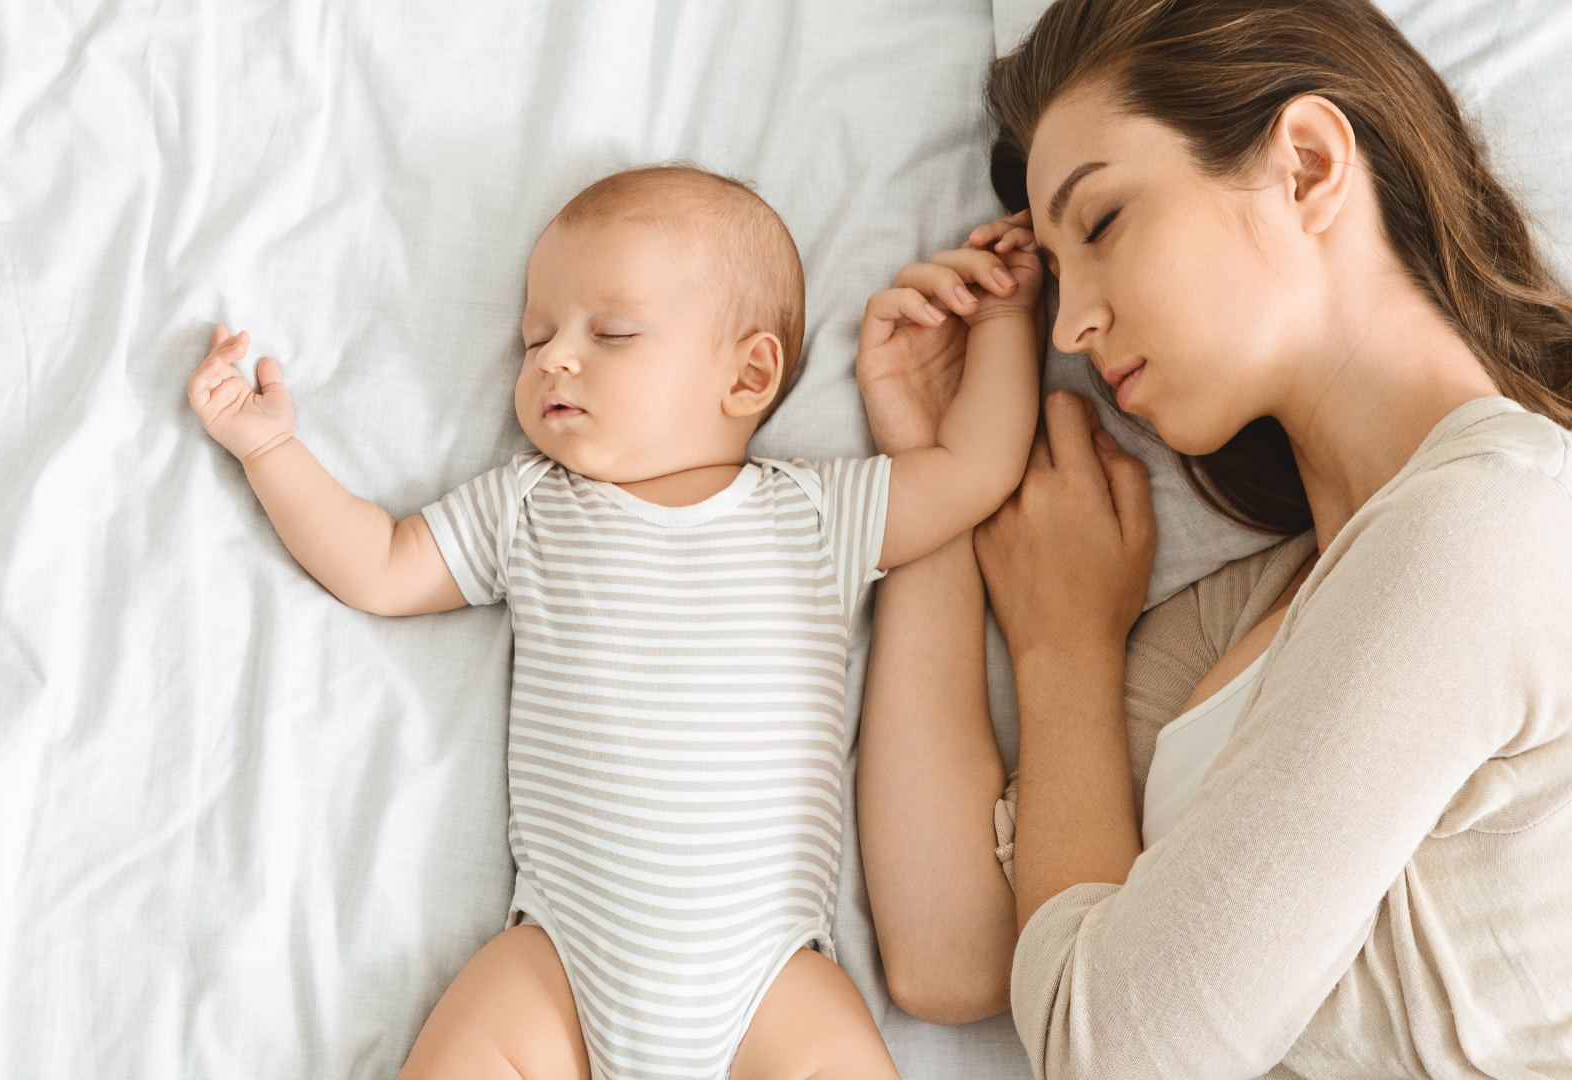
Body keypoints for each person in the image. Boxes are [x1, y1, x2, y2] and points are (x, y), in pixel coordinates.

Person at [184, 164, 1044, 1079]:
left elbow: (974, 465)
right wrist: (270, 447)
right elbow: (381, 566)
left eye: (614, 333)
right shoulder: (530, 509)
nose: (555, 357)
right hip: (560, 961)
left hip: (767, 980)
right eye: (537, 336)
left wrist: (1000, 320)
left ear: (749, 373)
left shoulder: (815, 512)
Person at [860, 0, 1572, 1076]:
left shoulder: (1496, 522)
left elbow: (1120, 1055)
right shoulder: (1242, 620)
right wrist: (930, 484)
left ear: (1307, 165)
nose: (1068, 327)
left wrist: (1062, 663)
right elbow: (951, 950)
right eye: (1052, 272)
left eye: (1099, 224)